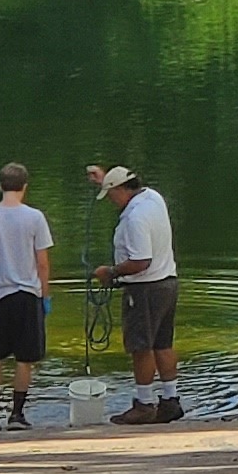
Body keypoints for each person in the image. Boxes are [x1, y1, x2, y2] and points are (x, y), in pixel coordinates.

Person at [89, 164, 183, 424]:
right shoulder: (152, 197)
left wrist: (110, 272)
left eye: (111, 194)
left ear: (121, 190)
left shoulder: (135, 218)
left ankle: (143, 404)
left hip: (144, 290)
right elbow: (121, 187)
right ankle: (170, 400)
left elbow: (141, 261)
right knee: (163, 344)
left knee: (141, 347)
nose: (110, 200)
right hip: (167, 283)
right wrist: (104, 180)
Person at [0, 161, 55, 430]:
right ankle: (17, 415)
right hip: (28, 294)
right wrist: (45, 294)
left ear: (0, 186)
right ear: (25, 187)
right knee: (25, 359)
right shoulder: (35, 217)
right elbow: (42, 261)